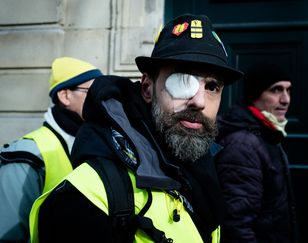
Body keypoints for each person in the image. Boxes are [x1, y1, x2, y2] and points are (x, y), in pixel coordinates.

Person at [29, 14, 243, 243]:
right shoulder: (85, 197)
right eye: (182, 81)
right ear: (147, 88)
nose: (199, 101)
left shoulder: (203, 178)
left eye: (212, 87)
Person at [0, 57, 103, 242]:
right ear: (65, 96)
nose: (100, 98)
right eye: (92, 91)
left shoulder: (97, 146)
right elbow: (7, 234)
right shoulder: (27, 154)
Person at [215, 62, 299, 243]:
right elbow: (236, 225)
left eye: (288, 90)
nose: (285, 99)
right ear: (255, 95)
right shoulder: (243, 144)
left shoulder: (267, 132)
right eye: (276, 90)